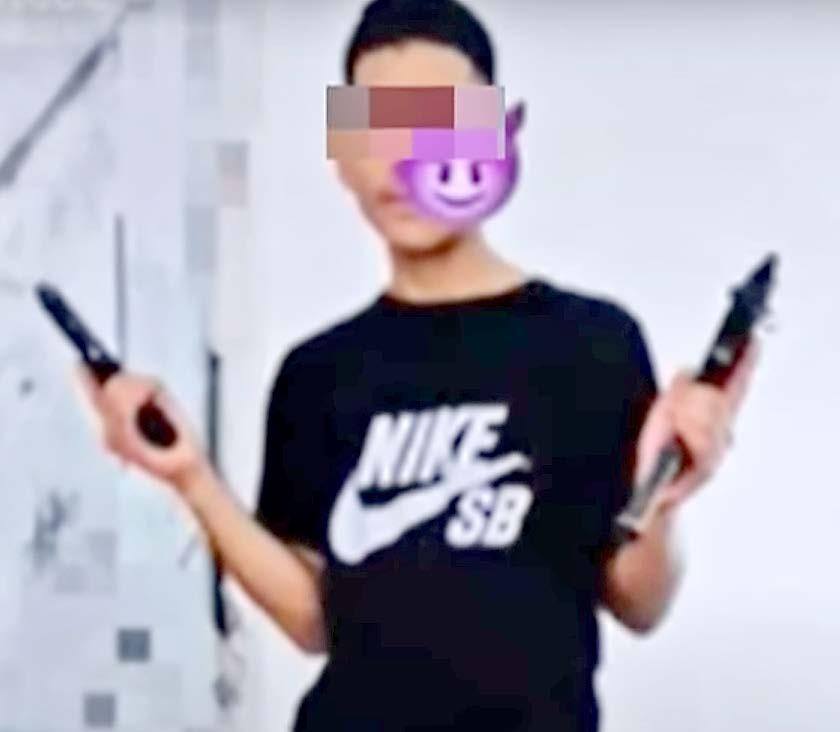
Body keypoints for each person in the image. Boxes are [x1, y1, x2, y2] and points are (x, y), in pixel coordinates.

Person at [76, 1, 759, 729]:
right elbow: (315, 620)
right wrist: (190, 478)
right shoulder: (318, 374)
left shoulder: (592, 345)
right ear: (341, 151)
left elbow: (638, 603)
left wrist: (664, 495)